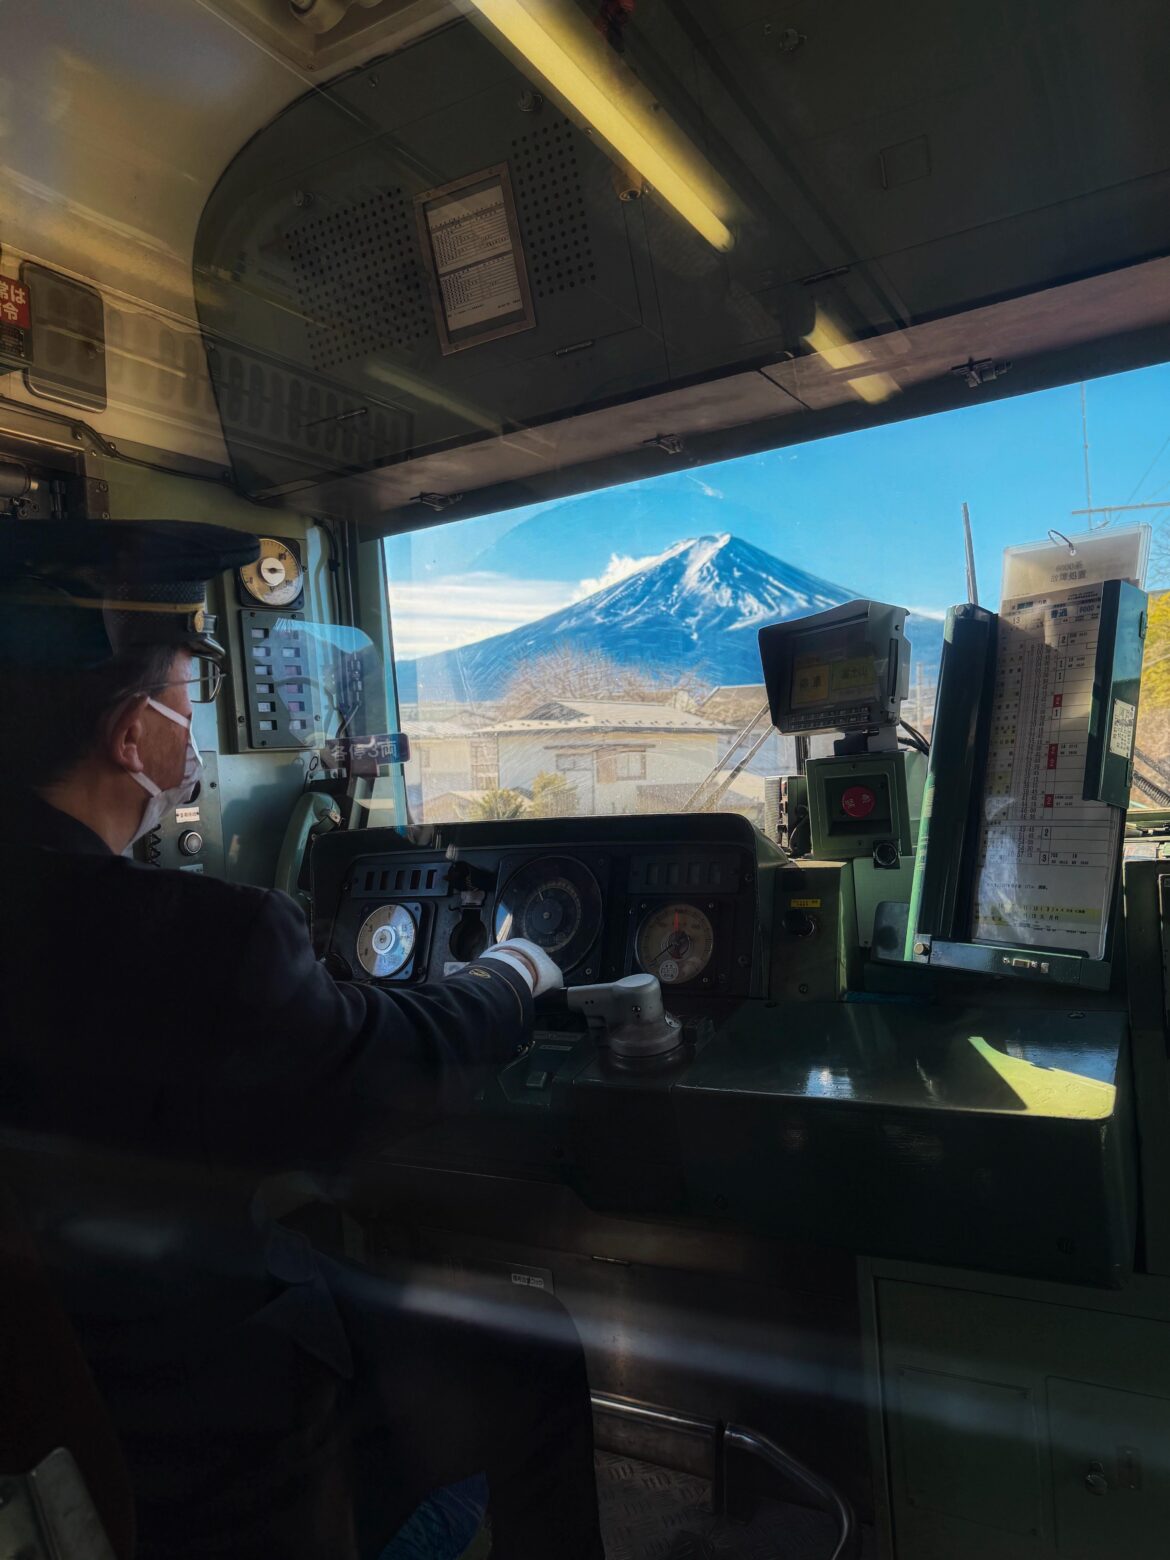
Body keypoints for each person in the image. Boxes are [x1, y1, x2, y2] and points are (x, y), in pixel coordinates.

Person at [0, 520, 605, 1560]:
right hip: (203, 1444)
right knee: (534, 1345)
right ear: (132, 738)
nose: (189, 736)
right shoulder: (192, 941)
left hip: (44, 1420)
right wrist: (510, 978)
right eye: (186, 703)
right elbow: (376, 1070)